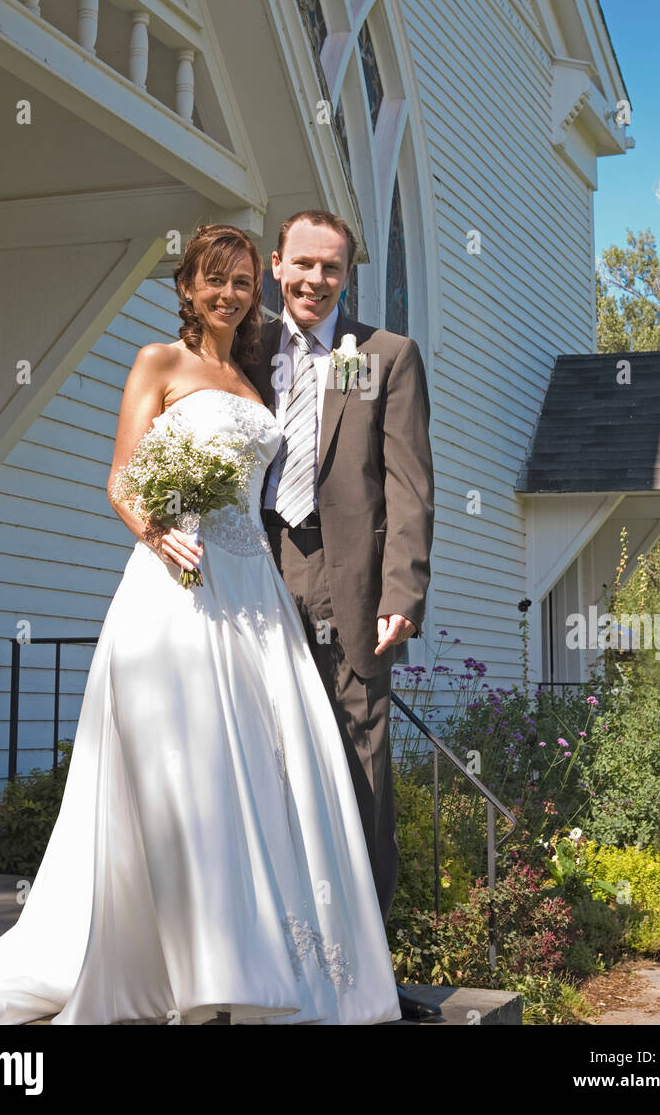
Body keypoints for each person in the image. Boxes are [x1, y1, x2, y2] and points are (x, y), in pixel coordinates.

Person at [0, 224, 401, 1026]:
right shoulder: (155, 363)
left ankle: (261, 955)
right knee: (186, 766)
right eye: (215, 281)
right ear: (187, 289)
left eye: (241, 282)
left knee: (260, 776)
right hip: (177, 584)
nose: (231, 294)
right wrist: (154, 530)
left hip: (253, 593)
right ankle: (190, 970)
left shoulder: (255, 376)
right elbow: (122, 476)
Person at [242, 210, 437, 1023]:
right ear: (275, 264)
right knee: (258, 763)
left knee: (361, 774)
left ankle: (363, 973)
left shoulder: (380, 357)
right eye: (302, 265)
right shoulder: (242, 350)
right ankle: (265, 962)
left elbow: (409, 486)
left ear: (348, 275)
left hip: (348, 583)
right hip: (251, 570)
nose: (315, 281)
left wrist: (403, 592)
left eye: (332, 268)